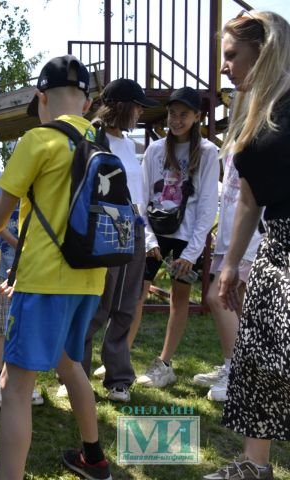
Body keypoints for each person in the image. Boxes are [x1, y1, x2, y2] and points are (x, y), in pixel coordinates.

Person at [0, 55, 113, 480]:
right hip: (90, 279)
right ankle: (94, 458)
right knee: (71, 364)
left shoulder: (38, 140)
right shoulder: (99, 142)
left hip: (45, 281)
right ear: (86, 103)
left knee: (14, 387)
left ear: (40, 98)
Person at [204, 10, 290, 480]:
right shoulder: (258, 111)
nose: (224, 66)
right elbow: (251, 197)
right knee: (258, 359)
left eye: (232, 55)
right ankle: (255, 468)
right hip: (275, 245)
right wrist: (230, 263)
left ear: (266, 49)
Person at [131, 86, 219, 388]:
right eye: (172, 113)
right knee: (136, 294)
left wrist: (192, 254)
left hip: (187, 237)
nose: (176, 119)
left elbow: (208, 205)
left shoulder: (207, 152)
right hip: (155, 230)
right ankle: (119, 357)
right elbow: (141, 197)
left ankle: (164, 364)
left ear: (197, 116)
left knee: (179, 299)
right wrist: (150, 240)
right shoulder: (156, 150)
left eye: (184, 114)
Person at [79, 79, 158, 403]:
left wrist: (147, 234)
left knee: (126, 307)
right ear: (123, 106)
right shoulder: (90, 136)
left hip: (133, 227)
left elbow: (138, 194)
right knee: (96, 306)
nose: (140, 113)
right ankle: (76, 376)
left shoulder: (128, 143)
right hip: (102, 227)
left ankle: (118, 380)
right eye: (138, 106)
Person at [191, 152, 262, 402]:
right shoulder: (237, 134)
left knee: (217, 298)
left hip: (249, 240)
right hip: (229, 238)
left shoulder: (263, 131)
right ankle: (250, 370)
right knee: (239, 306)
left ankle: (236, 373)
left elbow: (258, 197)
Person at [0, 188, 44, 407]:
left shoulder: (42, 196)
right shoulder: (3, 193)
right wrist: (20, 246)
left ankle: (25, 382)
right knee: (0, 327)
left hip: (30, 275)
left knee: (26, 326)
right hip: (2, 271)